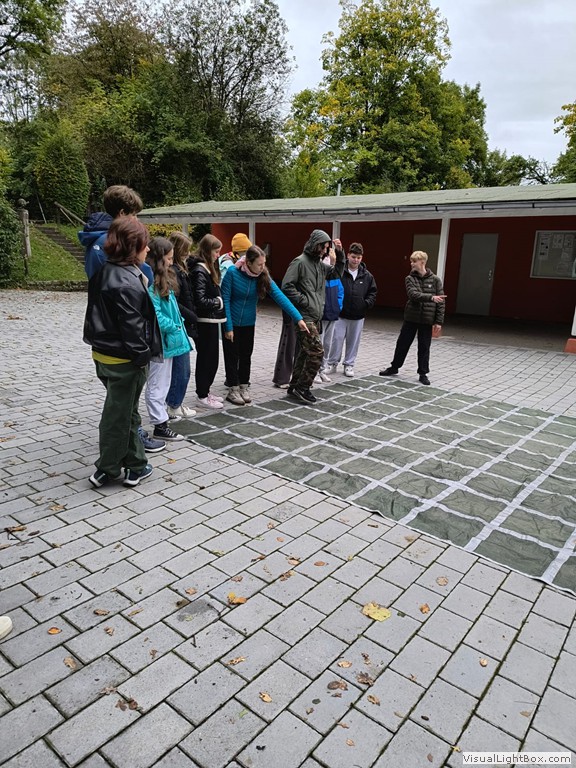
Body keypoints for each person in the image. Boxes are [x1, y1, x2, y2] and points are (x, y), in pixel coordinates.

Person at [78, 184, 163, 453]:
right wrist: (141, 352)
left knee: (123, 398)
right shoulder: (105, 246)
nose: (137, 220)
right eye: (134, 214)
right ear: (123, 213)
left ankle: (129, 441)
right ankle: (127, 445)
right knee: (122, 398)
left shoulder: (108, 241)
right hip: (118, 338)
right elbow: (109, 291)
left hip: (119, 332)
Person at [222, 245, 308, 405]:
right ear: (248, 262)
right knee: (232, 356)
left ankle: (243, 386)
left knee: (246, 355)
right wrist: (228, 326)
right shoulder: (232, 273)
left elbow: (280, 297)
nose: (262, 267)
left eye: (264, 264)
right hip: (232, 322)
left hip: (248, 323)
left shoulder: (262, 276)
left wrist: (298, 318)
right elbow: (225, 299)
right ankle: (233, 389)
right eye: (259, 264)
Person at [281, 229, 345, 404]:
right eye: (323, 247)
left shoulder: (319, 265)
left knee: (304, 353)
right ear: (316, 245)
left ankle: (294, 386)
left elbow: (336, 273)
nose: (325, 251)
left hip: (315, 316)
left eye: (327, 248)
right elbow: (286, 286)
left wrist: (340, 253)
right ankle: (303, 387)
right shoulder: (300, 262)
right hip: (304, 316)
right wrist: (304, 300)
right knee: (317, 352)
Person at [145, 238, 192, 440]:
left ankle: (162, 417)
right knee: (157, 384)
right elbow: (155, 314)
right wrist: (174, 327)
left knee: (163, 383)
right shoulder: (152, 282)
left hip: (169, 341)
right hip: (161, 342)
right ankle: (159, 425)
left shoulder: (163, 278)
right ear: (159, 258)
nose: (172, 263)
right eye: (169, 258)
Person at [379, 250, 445, 385]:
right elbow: (413, 295)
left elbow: (441, 302)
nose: (412, 264)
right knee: (402, 344)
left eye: (414, 261)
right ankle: (394, 367)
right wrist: (431, 297)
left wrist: (438, 321)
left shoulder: (436, 280)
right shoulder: (409, 279)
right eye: (411, 261)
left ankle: (423, 373)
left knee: (424, 347)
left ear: (422, 262)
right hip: (411, 318)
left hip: (427, 320)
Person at [325, 242, 377, 377]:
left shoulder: (367, 275)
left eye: (359, 258)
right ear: (348, 255)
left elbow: (373, 292)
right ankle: (332, 363)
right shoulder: (340, 271)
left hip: (358, 315)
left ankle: (349, 364)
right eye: (354, 257)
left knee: (353, 342)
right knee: (336, 339)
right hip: (340, 314)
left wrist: (365, 304)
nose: (356, 260)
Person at [188, 234, 226, 409]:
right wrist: (218, 302)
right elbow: (200, 299)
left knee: (212, 359)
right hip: (205, 321)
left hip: (210, 320)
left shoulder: (205, 268)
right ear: (207, 250)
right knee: (206, 359)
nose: (218, 255)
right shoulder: (200, 270)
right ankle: (202, 395)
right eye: (216, 251)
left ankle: (205, 391)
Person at [166, 231, 198, 421]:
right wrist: (192, 316)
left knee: (180, 369)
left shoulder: (180, 269)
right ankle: (174, 405)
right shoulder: (173, 272)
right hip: (178, 325)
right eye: (185, 249)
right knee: (181, 369)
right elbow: (174, 302)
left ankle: (174, 403)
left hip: (181, 323)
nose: (189, 253)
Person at [317, 239, 345, 382]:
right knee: (319, 344)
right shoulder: (319, 275)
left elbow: (340, 293)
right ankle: (315, 371)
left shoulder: (335, 277)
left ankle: (323, 369)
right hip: (321, 315)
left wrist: (338, 307)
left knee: (327, 345)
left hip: (332, 315)